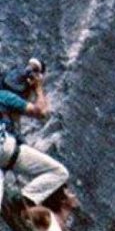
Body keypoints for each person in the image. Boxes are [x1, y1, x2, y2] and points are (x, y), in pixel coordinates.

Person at [0, 58, 69, 210]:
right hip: (8, 151)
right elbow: (42, 112)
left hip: (5, 161)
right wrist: (38, 88)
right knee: (58, 172)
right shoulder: (6, 96)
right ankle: (20, 202)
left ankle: (19, 203)